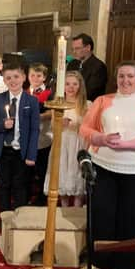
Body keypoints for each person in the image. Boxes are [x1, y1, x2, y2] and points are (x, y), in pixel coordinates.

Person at [79, 60, 135, 269]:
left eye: (130, 76)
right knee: (102, 214)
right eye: (121, 76)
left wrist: (131, 144)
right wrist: (99, 138)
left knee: (133, 218)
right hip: (103, 165)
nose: (125, 80)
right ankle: (98, 260)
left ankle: (126, 266)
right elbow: (85, 127)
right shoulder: (103, 101)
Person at [0, 63, 40, 212]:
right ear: (4, 80)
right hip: (2, 151)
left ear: (23, 78)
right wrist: (3, 125)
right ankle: (4, 219)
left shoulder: (32, 101)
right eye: (8, 78)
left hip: (21, 152)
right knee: (4, 185)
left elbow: (35, 130)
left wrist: (31, 155)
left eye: (16, 77)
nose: (13, 81)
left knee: (20, 186)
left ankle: (19, 220)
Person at [43, 71, 90, 207]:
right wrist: (60, 124)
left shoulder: (87, 105)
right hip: (62, 143)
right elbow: (52, 126)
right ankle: (63, 207)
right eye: (67, 84)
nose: (71, 87)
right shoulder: (58, 105)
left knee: (77, 175)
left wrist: (78, 125)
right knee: (62, 173)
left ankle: (77, 209)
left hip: (78, 143)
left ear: (80, 86)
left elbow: (90, 128)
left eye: (75, 84)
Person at [27, 63, 52, 205]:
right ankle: (27, 196)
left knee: (42, 169)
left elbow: (51, 113)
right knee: (27, 171)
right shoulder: (24, 92)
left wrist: (37, 116)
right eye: (32, 75)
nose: (35, 78)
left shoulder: (49, 93)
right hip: (27, 138)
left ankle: (42, 198)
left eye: (38, 76)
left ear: (44, 78)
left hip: (44, 136)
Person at [67, 33, 108, 101]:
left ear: (88, 47)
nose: (74, 52)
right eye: (73, 49)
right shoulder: (72, 64)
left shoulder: (99, 66)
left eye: (77, 48)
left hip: (89, 105)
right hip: (70, 102)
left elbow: (90, 92)